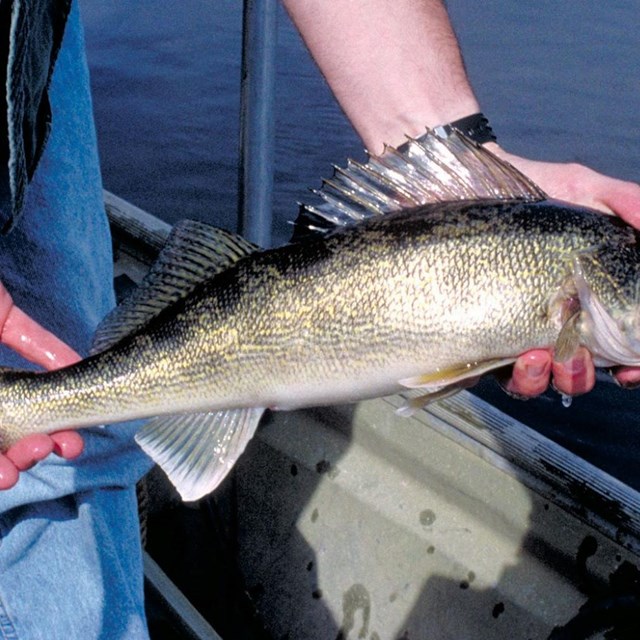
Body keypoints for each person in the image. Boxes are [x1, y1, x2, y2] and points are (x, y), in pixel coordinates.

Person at [0, 0, 639, 637]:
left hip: (33, 38)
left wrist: (461, 138)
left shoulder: (568, 267)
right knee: (42, 486)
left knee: (82, 453)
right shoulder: (570, 266)